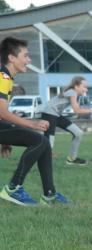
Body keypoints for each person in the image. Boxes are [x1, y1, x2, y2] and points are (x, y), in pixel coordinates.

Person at [0, 37, 68, 206]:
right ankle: (13, 188)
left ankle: (49, 194)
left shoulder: (6, 77)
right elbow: (2, 111)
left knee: (42, 142)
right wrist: (32, 124)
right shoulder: (3, 77)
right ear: (12, 58)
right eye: (26, 56)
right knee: (38, 139)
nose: (29, 60)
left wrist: (5, 138)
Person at [42, 76, 92, 166]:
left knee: (78, 133)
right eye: (84, 87)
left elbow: (77, 110)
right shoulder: (72, 93)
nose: (86, 89)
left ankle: (71, 159)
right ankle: (43, 162)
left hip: (56, 115)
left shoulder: (73, 93)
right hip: (49, 114)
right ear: (76, 86)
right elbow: (77, 110)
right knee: (49, 140)